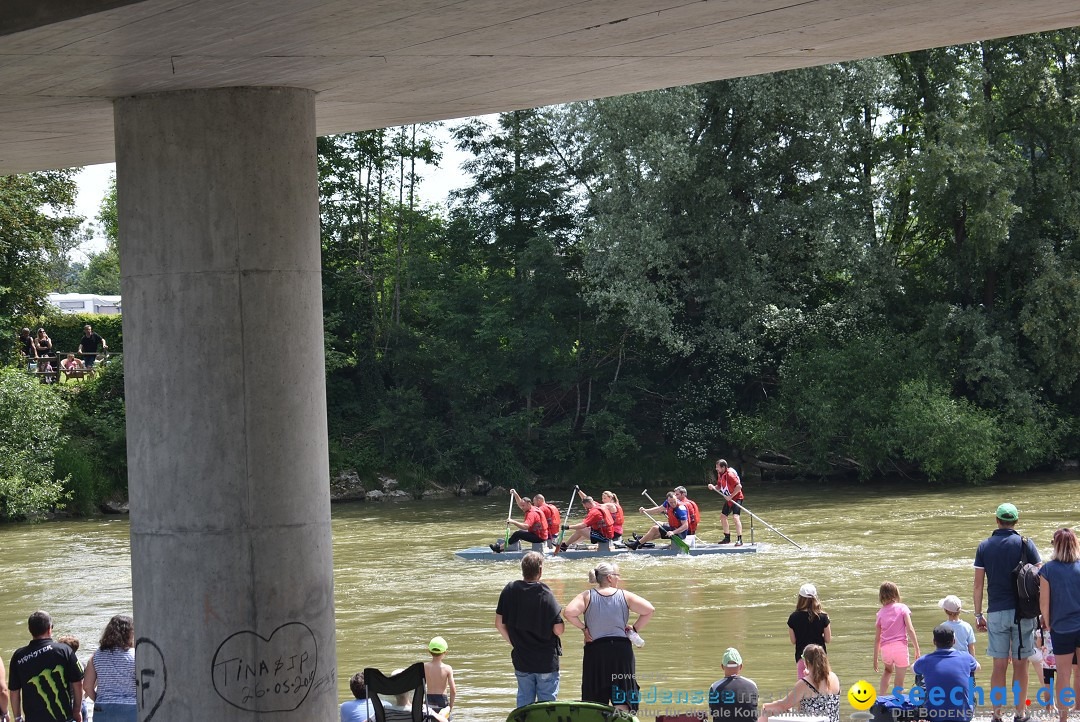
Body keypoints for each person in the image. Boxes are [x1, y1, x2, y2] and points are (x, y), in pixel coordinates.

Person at [973, 502, 1041, 722]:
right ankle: (1020, 714)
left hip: (996, 612)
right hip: (1023, 613)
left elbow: (977, 585)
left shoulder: (984, 546)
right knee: (1021, 665)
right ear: (1016, 522)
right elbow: (1041, 576)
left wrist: (978, 615)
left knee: (999, 666)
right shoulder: (1025, 544)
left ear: (997, 520)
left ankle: (996, 715)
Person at [563, 562, 655, 712]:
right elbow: (649, 610)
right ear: (610, 578)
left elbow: (568, 613)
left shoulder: (586, 596)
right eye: (617, 576)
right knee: (622, 696)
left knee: (595, 700)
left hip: (596, 651)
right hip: (621, 651)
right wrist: (635, 628)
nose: (619, 579)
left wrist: (583, 628)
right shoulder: (624, 595)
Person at [495, 552, 564, 708]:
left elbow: (499, 623)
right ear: (540, 570)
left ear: (523, 569)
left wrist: (515, 643)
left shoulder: (510, 589)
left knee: (524, 704)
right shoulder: (545, 593)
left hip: (522, 659)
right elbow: (558, 629)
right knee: (547, 707)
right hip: (546, 660)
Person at [9, 610, 84, 722]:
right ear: (49, 628)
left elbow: (14, 691)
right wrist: (77, 710)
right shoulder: (64, 651)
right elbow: (78, 683)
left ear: (30, 630)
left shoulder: (19, 656)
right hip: (63, 718)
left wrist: (18, 717)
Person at [1038, 527, 1080, 722]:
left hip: (1061, 628)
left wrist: (1047, 623)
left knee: (1062, 675)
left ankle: (1063, 719)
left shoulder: (1048, 569)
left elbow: (1044, 603)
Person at [912, 625, 979, 721]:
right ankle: (966, 705)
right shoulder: (966, 657)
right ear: (954, 641)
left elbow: (912, 669)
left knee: (919, 673)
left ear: (934, 642)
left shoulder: (926, 659)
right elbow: (978, 667)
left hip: (934, 715)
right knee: (971, 671)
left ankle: (927, 706)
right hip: (964, 715)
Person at [760, 644, 840, 722]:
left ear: (807, 661)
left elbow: (783, 705)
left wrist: (765, 706)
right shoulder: (834, 677)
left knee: (768, 710)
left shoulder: (804, 683)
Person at [83, 614, 136, 722]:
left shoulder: (96, 655)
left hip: (102, 709)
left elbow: (87, 686)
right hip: (130, 708)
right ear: (129, 633)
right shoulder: (135, 655)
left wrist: (99, 700)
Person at [874, 581, 919, 694]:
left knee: (887, 671)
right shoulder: (902, 608)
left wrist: (875, 659)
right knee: (899, 679)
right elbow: (910, 629)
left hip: (885, 648)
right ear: (896, 593)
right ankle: (897, 701)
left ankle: (881, 697)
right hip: (900, 647)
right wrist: (916, 648)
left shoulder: (880, 613)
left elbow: (877, 638)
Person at [787, 583, 832, 680]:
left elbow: (793, 641)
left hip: (802, 657)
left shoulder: (793, 617)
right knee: (823, 686)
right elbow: (828, 639)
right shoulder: (823, 617)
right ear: (815, 598)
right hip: (821, 657)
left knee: (804, 687)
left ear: (800, 598)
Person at [708, 648, 758, 721]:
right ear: (741, 666)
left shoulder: (715, 687)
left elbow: (712, 712)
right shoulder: (752, 685)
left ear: (722, 667)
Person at [708, 459, 743, 546]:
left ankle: (740, 539)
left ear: (723, 467)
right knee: (723, 517)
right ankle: (727, 538)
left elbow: (739, 486)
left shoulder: (730, 475)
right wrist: (713, 487)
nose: (716, 469)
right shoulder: (720, 474)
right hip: (729, 499)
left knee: (735, 517)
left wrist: (731, 497)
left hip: (737, 498)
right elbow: (719, 487)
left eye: (718, 467)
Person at [54, 636, 90, 722]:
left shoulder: (58, 667)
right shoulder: (81, 664)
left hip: (67, 704)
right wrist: (85, 696)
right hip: (81, 703)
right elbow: (88, 684)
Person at [938, 595, 978, 662]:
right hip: (964, 660)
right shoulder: (967, 626)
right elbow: (971, 647)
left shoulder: (942, 627)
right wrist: (972, 663)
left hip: (948, 660)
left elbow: (940, 647)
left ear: (945, 611)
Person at [424, 636, 456, 717]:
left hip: (428, 699)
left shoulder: (424, 667)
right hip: (442, 700)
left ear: (429, 651)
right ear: (445, 652)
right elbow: (453, 690)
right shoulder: (447, 668)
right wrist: (450, 707)